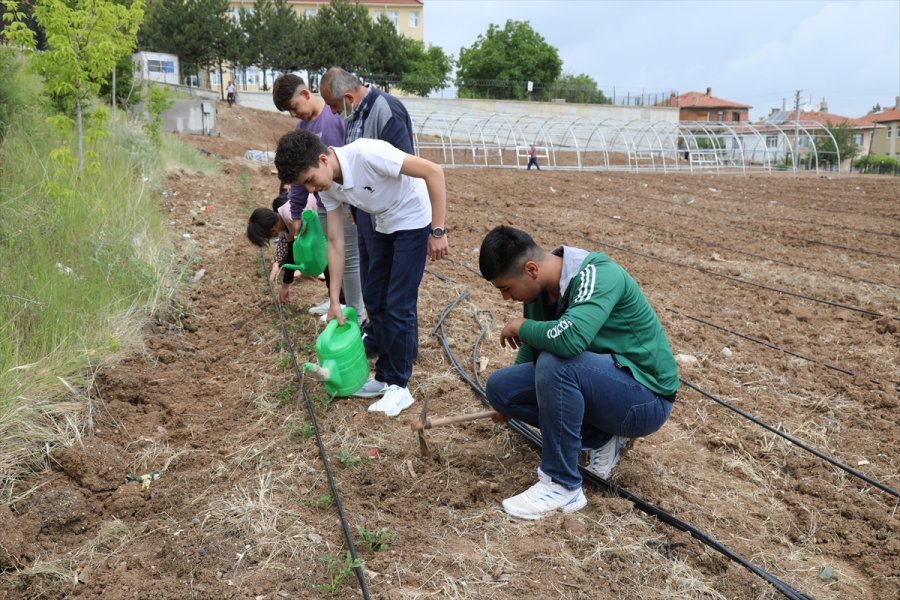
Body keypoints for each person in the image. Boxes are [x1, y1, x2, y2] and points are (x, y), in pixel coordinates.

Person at [478, 226, 679, 520]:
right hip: (605, 385)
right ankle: (600, 437)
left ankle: (561, 484)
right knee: (501, 388)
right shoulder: (537, 294)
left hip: (646, 399)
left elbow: (570, 339)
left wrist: (521, 326)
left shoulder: (597, 274)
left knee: (557, 363)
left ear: (531, 269)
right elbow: (532, 352)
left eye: (506, 288)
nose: (507, 298)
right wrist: (508, 401)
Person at [274, 129, 449, 416]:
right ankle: (383, 377)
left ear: (323, 159)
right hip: (384, 221)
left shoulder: (368, 154)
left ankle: (399, 386)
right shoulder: (328, 185)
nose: (311, 190)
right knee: (374, 298)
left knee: (398, 303)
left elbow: (433, 171)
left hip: (414, 218)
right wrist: (334, 301)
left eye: (309, 180)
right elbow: (335, 242)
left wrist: (438, 230)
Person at [319, 67, 416, 358]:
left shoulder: (386, 110)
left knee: (394, 291)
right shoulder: (355, 116)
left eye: (335, 107)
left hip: (390, 216)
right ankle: (377, 338)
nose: (336, 114)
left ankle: (403, 351)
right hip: (365, 214)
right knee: (373, 285)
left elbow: (406, 166)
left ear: (348, 97)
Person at [272, 74, 365, 323]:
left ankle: (357, 310)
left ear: (305, 95)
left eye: (294, 107)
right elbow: (299, 184)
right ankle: (339, 301)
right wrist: (296, 215)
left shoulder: (334, 117)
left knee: (350, 257)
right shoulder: (301, 130)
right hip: (326, 203)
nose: (294, 114)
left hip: (346, 199)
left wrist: (354, 204)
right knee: (331, 253)